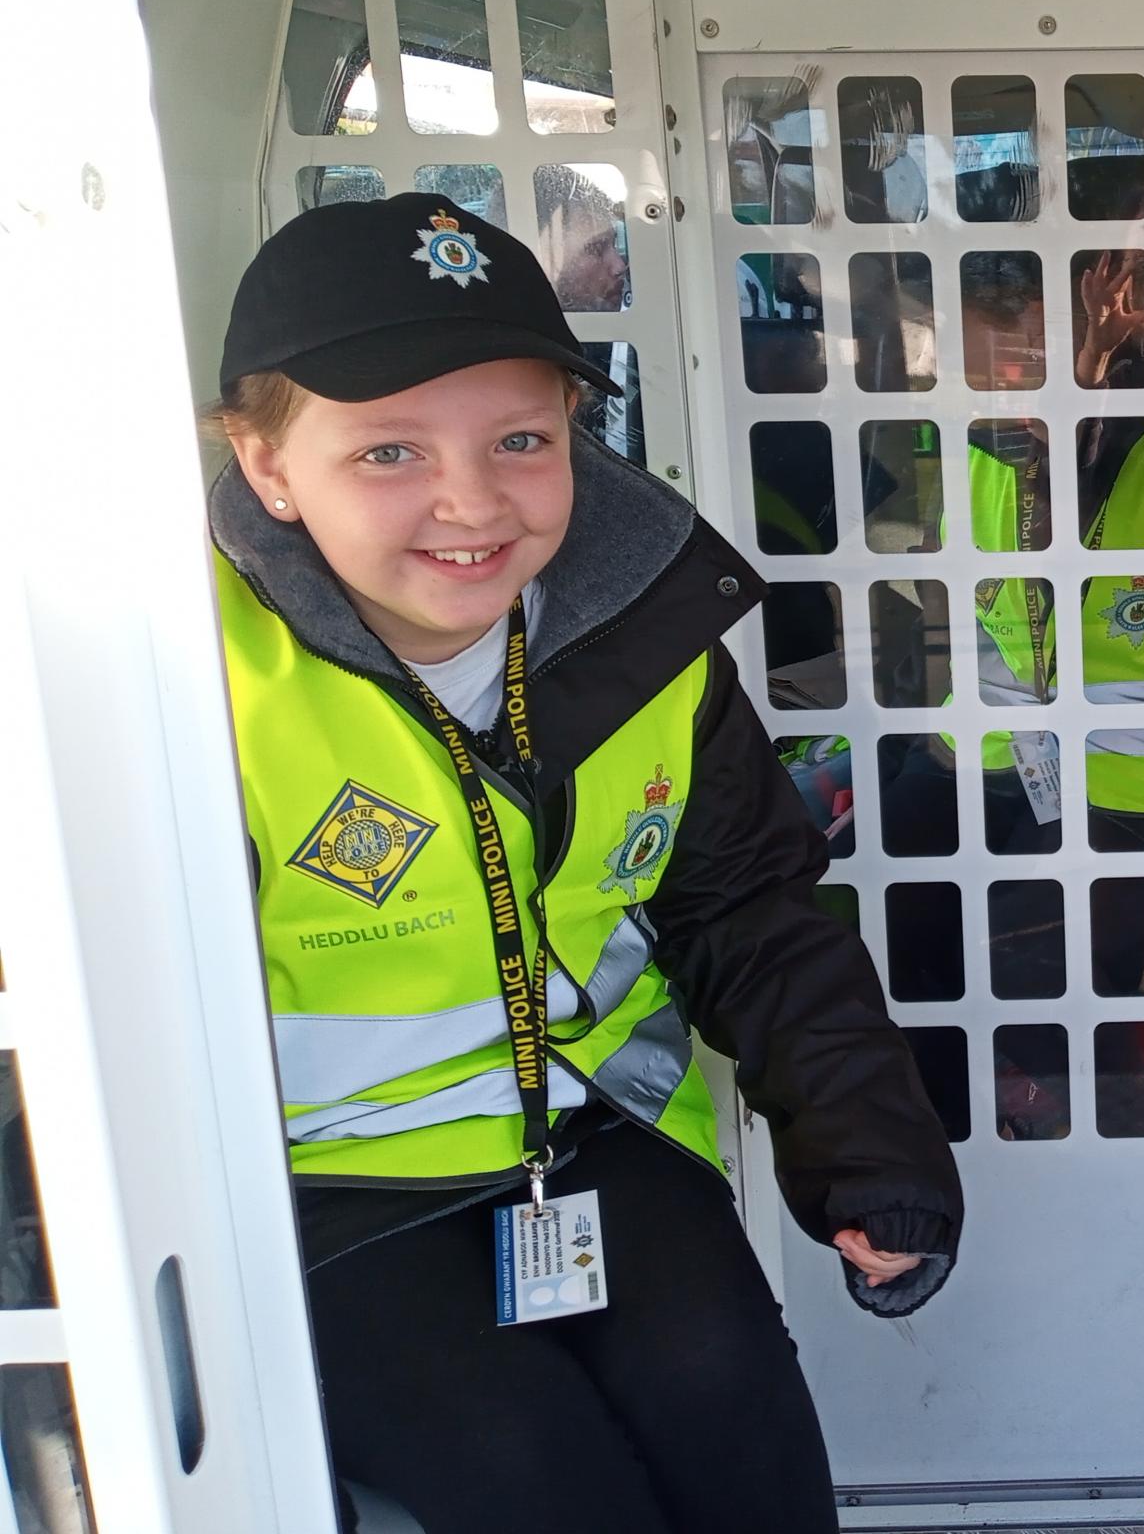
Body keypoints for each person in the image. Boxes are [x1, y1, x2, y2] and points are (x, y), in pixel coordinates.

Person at [208, 194, 963, 1534]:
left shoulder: (646, 632)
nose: (471, 502)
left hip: (593, 1135)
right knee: (531, 1480)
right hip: (315, 1196)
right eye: (388, 451)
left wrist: (865, 1150)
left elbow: (745, 903)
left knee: (743, 1437)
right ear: (266, 465)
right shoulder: (180, 675)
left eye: (522, 439)